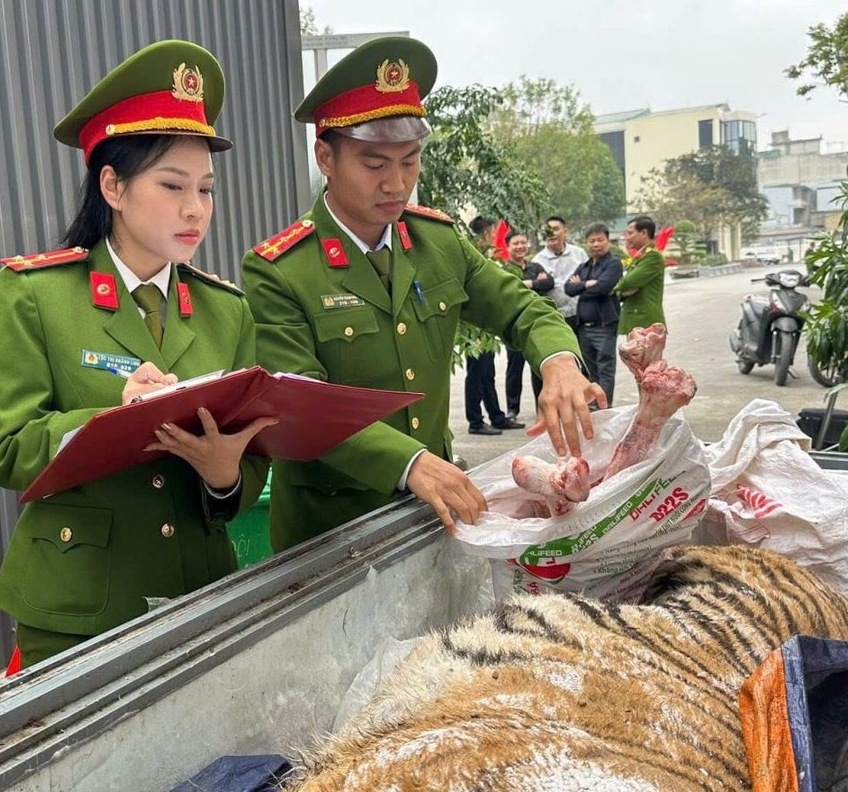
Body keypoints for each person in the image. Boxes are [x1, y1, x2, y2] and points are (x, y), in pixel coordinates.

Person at [241, 36, 603, 551]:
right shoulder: (280, 269)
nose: (396, 183)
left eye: (410, 161)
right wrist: (407, 460)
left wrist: (560, 361)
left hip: (434, 518)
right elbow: (300, 403)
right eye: (374, 164)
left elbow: (522, 308)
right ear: (326, 156)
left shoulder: (437, 242)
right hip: (330, 534)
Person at [0, 40, 274, 667]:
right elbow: (9, 454)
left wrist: (223, 473)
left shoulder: (228, 311)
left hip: (197, 592)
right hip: (79, 605)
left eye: (205, 187)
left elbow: (245, 479)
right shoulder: (37, 294)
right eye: (171, 186)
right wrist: (111, 414)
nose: (195, 209)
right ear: (112, 185)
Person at [462, 217, 525, 437]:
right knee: (476, 374)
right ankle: (475, 421)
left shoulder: (486, 256)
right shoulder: (470, 256)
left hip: (486, 329)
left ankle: (496, 416)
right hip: (474, 330)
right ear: (486, 234)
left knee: (487, 373)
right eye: (492, 233)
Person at [563, 224, 624, 406]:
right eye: (592, 241)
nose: (596, 244)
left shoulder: (614, 264)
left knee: (605, 367)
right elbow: (568, 288)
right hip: (584, 327)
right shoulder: (585, 266)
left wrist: (582, 286)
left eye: (600, 240)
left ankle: (605, 406)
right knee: (589, 369)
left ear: (608, 241)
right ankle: (593, 404)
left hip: (604, 325)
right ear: (587, 243)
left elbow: (603, 287)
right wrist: (587, 284)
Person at [503, 230, 555, 417]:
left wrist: (530, 284)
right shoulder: (504, 270)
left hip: (536, 326)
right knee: (514, 370)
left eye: (523, 243)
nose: (520, 247)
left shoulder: (535, 266)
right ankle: (512, 409)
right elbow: (508, 291)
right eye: (516, 243)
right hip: (514, 325)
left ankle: (541, 408)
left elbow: (549, 282)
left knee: (538, 369)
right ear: (508, 247)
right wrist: (533, 283)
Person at [533, 216, 589, 329]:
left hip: (581, 315)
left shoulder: (579, 254)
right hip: (556, 318)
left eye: (555, 229)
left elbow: (588, 278)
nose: (551, 233)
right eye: (547, 230)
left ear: (565, 231)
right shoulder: (537, 261)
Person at [616, 215, 667, 335]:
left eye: (630, 233)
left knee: (645, 354)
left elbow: (628, 282)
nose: (627, 237)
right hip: (636, 319)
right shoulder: (641, 255)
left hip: (645, 322)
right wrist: (621, 290)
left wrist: (619, 288)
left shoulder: (653, 256)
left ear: (644, 233)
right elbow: (625, 283)